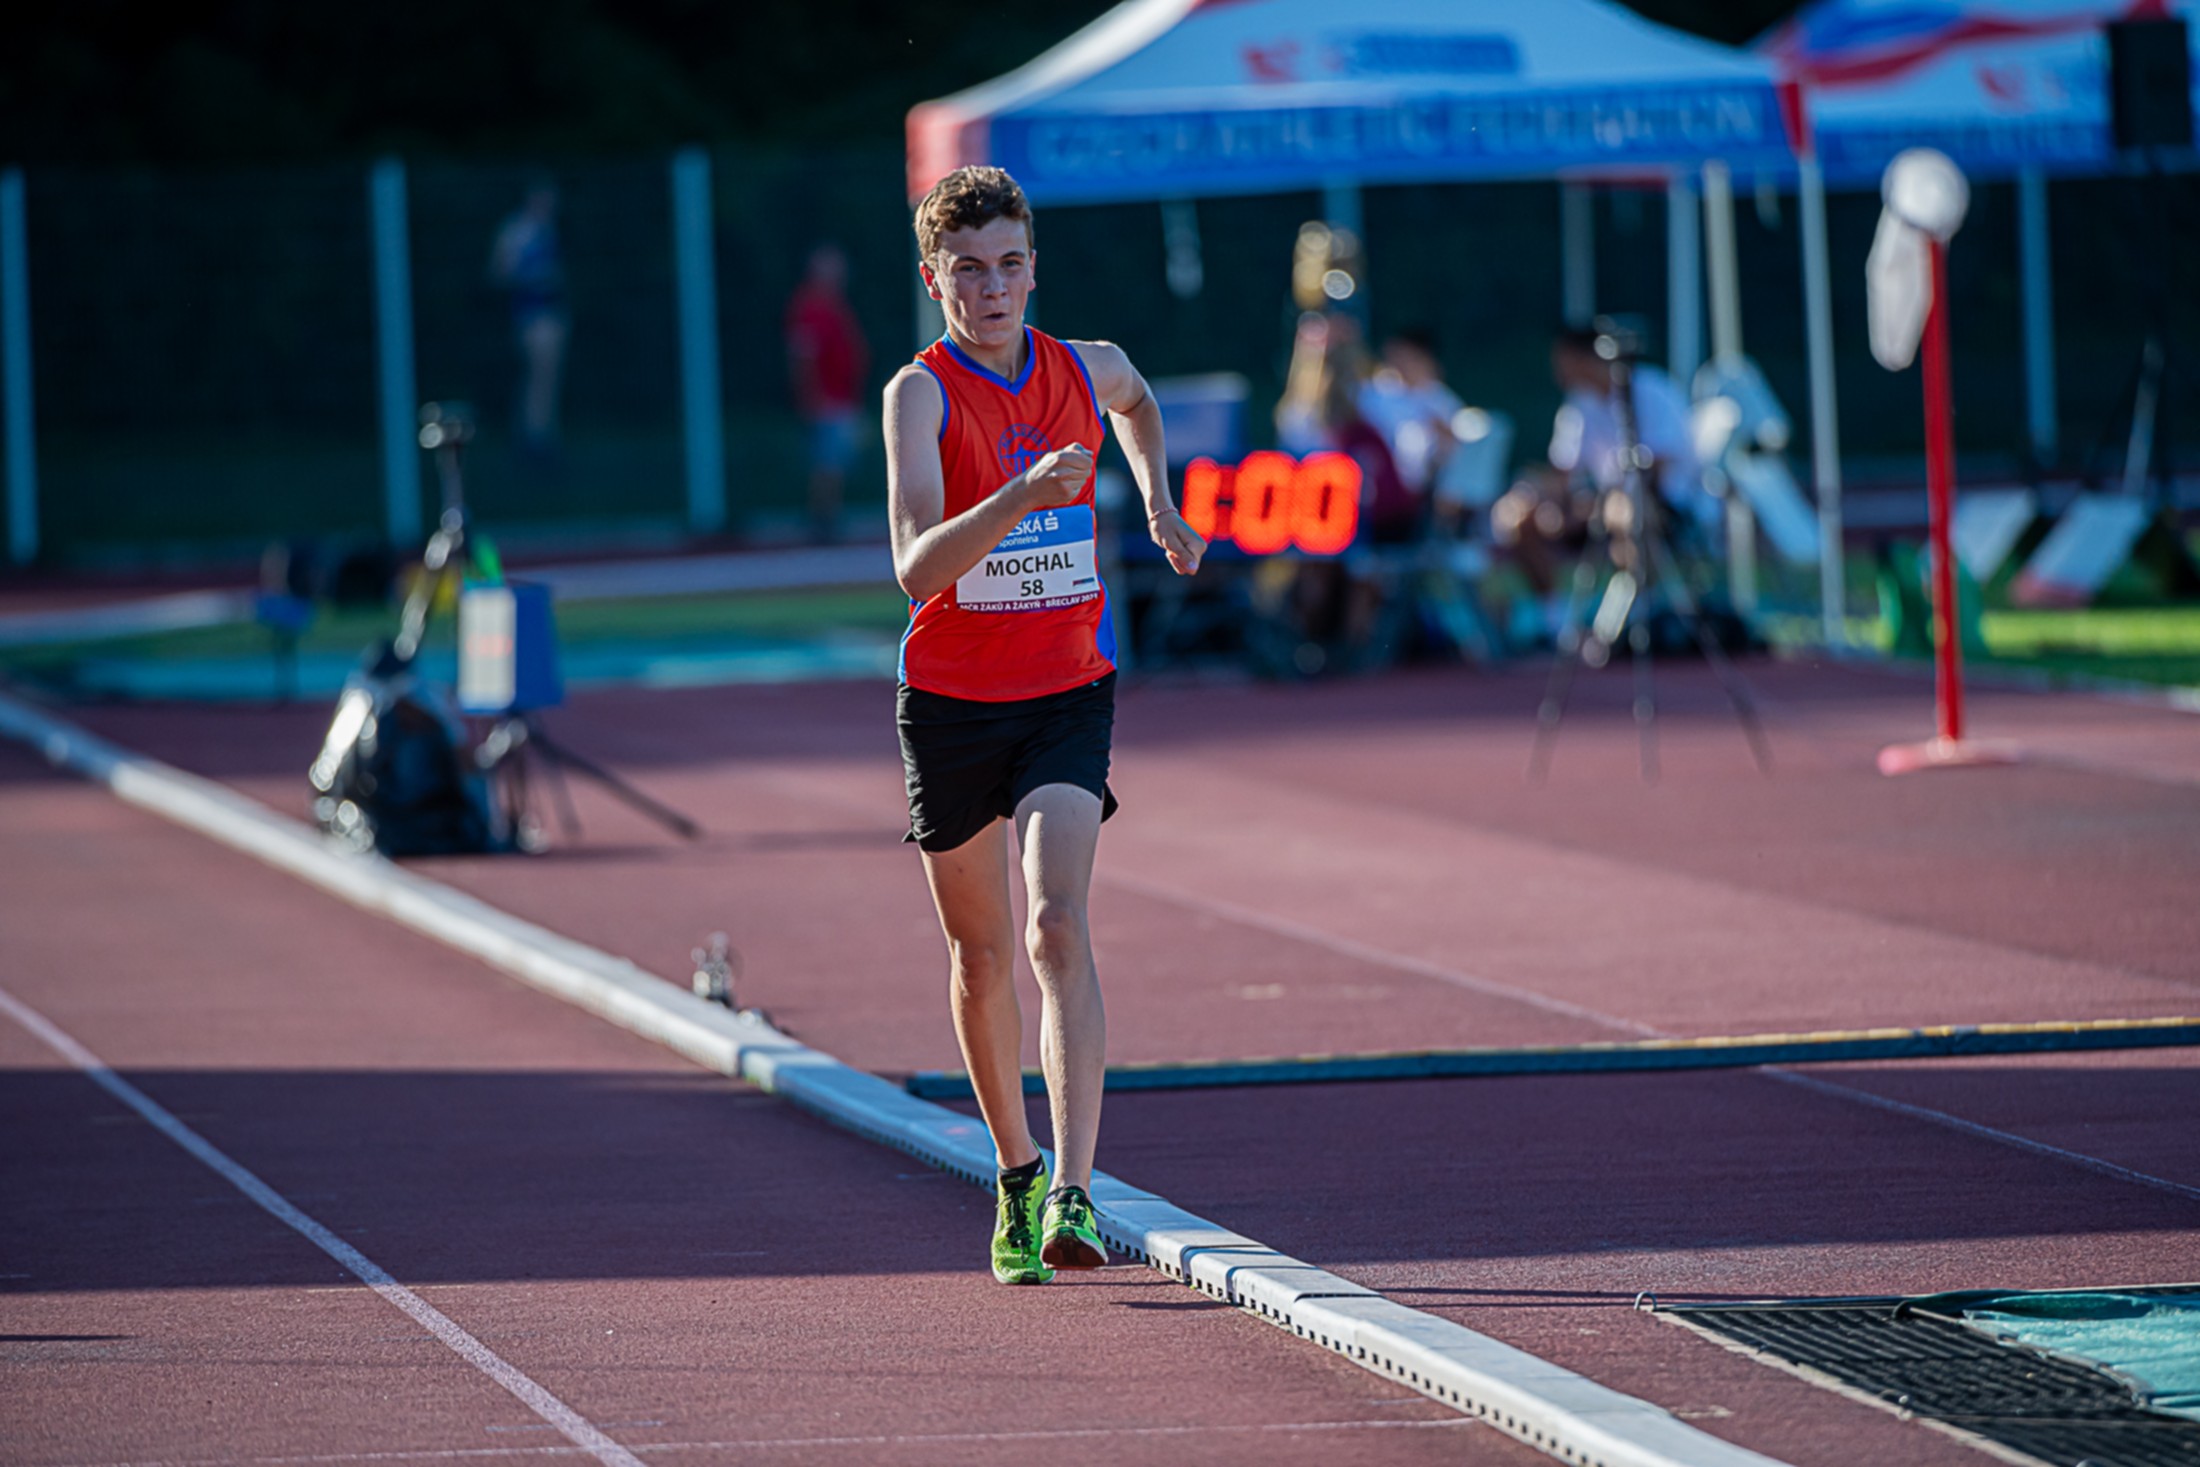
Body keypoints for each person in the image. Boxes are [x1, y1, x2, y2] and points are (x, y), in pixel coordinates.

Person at [883, 166, 1205, 1285]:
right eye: (968, 270)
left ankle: (1074, 1188)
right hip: (952, 706)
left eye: (1009, 265)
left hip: (1066, 691)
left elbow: (1139, 402)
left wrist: (1157, 497)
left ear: (1033, 270)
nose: (992, 289)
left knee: (1055, 925)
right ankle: (1015, 1172)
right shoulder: (919, 396)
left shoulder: (1085, 366)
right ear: (935, 280)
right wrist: (1019, 497)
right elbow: (916, 567)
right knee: (980, 957)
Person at [785, 244, 870, 541]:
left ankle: (827, 517)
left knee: (835, 462)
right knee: (827, 462)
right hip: (826, 398)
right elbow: (802, 355)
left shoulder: (835, 304)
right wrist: (812, 396)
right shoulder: (811, 307)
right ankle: (822, 521)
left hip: (842, 396)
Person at [488, 180, 568, 463]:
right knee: (537, 376)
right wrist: (536, 279)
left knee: (547, 378)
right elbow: (499, 273)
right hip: (530, 313)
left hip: (550, 310)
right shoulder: (517, 231)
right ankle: (532, 441)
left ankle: (542, 436)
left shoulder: (547, 229)